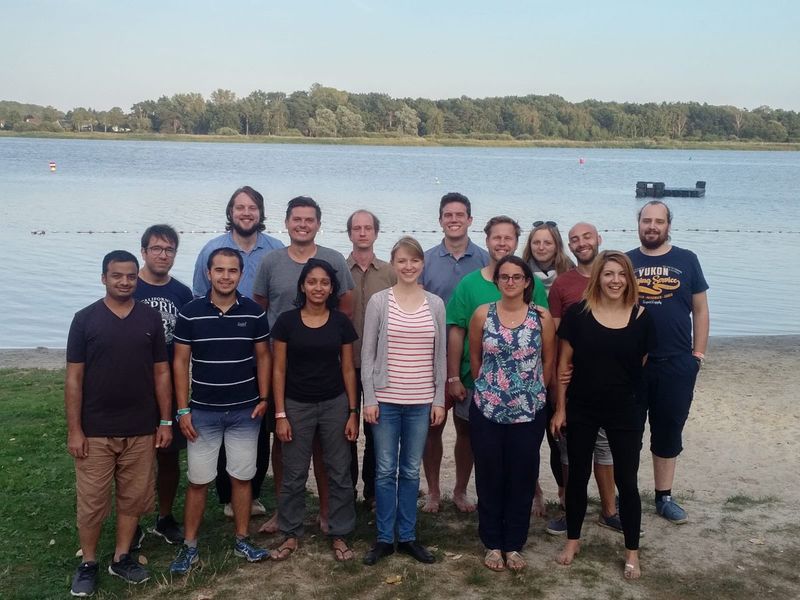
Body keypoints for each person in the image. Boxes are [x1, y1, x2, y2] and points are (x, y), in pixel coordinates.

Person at [66, 250, 173, 597]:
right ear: (104, 278)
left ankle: (122, 556)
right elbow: (74, 380)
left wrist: (165, 420)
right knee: (93, 501)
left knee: (133, 498)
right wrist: (75, 430)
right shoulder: (85, 320)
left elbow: (161, 373)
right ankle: (89, 563)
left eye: (130, 276)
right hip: (95, 430)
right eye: (117, 276)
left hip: (141, 428)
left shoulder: (150, 319)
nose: (125, 282)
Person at [551, 250, 657, 580]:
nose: (615, 280)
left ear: (629, 279)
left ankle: (631, 552)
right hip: (582, 406)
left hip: (625, 409)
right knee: (577, 476)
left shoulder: (642, 317)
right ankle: (572, 541)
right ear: (598, 277)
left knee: (627, 481)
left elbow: (640, 364)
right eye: (609, 274)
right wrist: (560, 408)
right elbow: (563, 364)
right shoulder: (579, 315)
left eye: (621, 274)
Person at [252, 195, 355, 534]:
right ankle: (284, 514)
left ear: (318, 224)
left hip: (326, 372)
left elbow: (346, 308)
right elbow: (261, 307)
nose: (302, 224)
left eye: (309, 220)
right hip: (283, 371)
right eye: (296, 219)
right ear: (286, 222)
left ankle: (327, 512)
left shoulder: (334, 260)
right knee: (285, 447)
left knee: (327, 449)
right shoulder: (271, 262)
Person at [169, 248, 271, 575]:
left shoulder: (254, 312)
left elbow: (265, 358)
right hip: (203, 413)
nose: (225, 276)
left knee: (242, 477)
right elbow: (180, 362)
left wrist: (265, 397)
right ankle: (189, 547)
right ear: (208, 273)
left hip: (244, 411)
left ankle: (242, 539)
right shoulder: (190, 312)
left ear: (241, 274)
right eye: (219, 270)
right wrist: (182, 409)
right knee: (198, 480)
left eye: (232, 270)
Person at [445, 216, 549, 516]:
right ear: (487, 240)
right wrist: (454, 376)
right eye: (496, 237)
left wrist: (541, 380)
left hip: (523, 388)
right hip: (474, 379)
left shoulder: (529, 283)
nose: (502, 243)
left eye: (508, 238)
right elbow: (456, 331)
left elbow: (543, 332)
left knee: (524, 446)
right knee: (467, 436)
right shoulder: (470, 284)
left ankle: (533, 492)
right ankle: (461, 490)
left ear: (517, 242)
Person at [192, 186, 283, 518]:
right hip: (220, 351)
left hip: (263, 349)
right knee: (219, 419)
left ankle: (254, 491)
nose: (246, 213)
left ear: (261, 213)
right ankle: (227, 495)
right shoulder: (212, 250)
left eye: (253, 207)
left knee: (257, 423)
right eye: (240, 207)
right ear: (230, 212)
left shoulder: (275, 250)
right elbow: (198, 298)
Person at [361, 237, 447, 566]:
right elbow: (368, 354)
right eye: (402, 261)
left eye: (414, 260)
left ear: (421, 264)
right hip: (385, 400)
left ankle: (408, 536)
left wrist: (438, 399)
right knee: (385, 471)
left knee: (411, 471)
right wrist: (370, 398)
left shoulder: (435, 304)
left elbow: (439, 357)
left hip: (421, 401)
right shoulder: (379, 302)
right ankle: (384, 538)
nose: (408, 266)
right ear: (393, 264)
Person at [468, 255, 555, 572]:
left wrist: (534, 394)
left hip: (528, 413)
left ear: (527, 281)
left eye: (517, 277)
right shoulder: (482, 315)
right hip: (488, 409)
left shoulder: (541, 318)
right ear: (497, 281)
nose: (510, 282)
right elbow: (475, 357)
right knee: (489, 476)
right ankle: (492, 543)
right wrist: (487, 389)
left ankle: (514, 545)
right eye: (504, 277)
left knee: (522, 476)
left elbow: (548, 361)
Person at [269, 259, 359, 562]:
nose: (318, 287)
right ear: (303, 286)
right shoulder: (287, 322)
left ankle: (340, 533)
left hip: (334, 403)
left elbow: (348, 368)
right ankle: (291, 532)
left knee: (339, 472)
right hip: (296, 405)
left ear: (331, 287)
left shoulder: (340, 322)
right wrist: (279, 414)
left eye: (324, 282)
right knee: (294, 473)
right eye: (312, 282)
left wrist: (352, 411)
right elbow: (278, 370)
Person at [627, 201, 709, 524]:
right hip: (633, 364)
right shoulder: (626, 261)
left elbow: (700, 309)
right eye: (646, 220)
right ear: (638, 224)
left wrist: (697, 355)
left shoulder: (687, 260)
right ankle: (626, 493)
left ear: (668, 225)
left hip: (677, 363)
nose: (652, 226)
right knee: (628, 432)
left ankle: (664, 497)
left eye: (658, 221)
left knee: (668, 431)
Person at [544, 222, 621, 536]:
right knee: (568, 451)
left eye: (586, 236)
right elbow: (556, 337)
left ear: (599, 238)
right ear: (570, 246)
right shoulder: (563, 284)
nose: (581, 243)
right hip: (571, 379)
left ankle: (609, 511)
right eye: (574, 239)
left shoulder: (617, 277)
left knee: (605, 450)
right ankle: (568, 508)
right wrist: (555, 382)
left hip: (611, 382)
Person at [419, 192, 489, 513]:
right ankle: (433, 491)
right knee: (431, 426)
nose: (454, 220)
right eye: (448, 215)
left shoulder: (486, 261)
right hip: (429, 356)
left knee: (468, 429)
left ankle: (460, 490)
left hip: (469, 360)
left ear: (470, 220)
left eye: (460, 215)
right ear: (440, 220)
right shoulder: (427, 260)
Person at [134, 224, 193, 546]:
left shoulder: (182, 294)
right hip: (135, 386)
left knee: (169, 456)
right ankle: (134, 519)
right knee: (135, 458)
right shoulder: (130, 286)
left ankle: (165, 516)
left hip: (171, 386)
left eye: (169, 249)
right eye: (156, 248)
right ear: (143, 252)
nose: (162, 255)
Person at [346, 210, 396, 507]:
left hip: (381, 364)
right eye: (357, 228)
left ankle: (374, 491)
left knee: (377, 429)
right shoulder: (338, 269)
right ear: (350, 233)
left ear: (376, 233)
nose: (362, 233)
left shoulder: (390, 272)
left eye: (368, 228)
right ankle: (346, 490)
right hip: (345, 363)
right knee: (346, 428)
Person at [522, 221, 575, 291]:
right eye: (536, 243)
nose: (541, 247)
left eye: (547, 243)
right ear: (530, 245)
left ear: (557, 246)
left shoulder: (571, 272)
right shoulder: (520, 272)